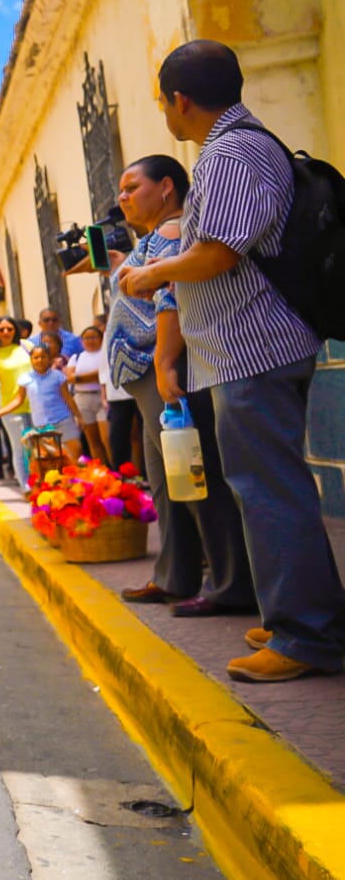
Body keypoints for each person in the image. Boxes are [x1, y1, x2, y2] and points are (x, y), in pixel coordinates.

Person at [118, 40, 341, 681]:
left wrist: (150, 273)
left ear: (179, 101)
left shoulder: (229, 153)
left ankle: (306, 638)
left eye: (163, 100)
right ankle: (308, 615)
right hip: (244, 350)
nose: (165, 110)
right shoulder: (239, 149)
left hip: (252, 349)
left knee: (268, 490)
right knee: (268, 487)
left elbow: (218, 253)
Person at [94, 154, 253, 616]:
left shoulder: (172, 231)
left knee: (193, 477)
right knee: (167, 481)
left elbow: (171, 295)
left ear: (166, 187)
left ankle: (228, 582)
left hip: (163, 369)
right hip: (146, 374)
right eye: (120, 190)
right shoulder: (154, 238)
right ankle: (176, 575)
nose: (122, 197)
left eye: (131, 187)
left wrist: (165, 363)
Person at [2, 343, 83, 461]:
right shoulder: (25, 379)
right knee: (52, 459)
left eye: (43, 357)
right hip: (42, 425)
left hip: (62, 420)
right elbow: (18, 400)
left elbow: (68, 398)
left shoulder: (58, 376)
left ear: (49, 359)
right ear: (31, 360)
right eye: (36, 357)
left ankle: (76, 479)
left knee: (75, 453)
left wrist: (79, 417)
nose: (39, 360)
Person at [0, 316, 34, 488]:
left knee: (39, 447)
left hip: (37, 405)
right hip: (11, 408)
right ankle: (27, 487)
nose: (6, 332)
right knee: (21, 449)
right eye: (1, 329)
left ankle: (43, 486)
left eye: (10, 329)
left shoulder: (26, 346)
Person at [66, 326, 109, 464]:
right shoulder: (77, 357)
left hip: (102, 397)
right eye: (87, 338)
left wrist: (80, 378)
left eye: (94, 337)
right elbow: (69, 377)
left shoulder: (105, 355)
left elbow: (102, 373)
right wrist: (92, 376)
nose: (90, 341)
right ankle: (101, 471)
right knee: (93, 440)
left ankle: (115, 468)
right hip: (82, 399)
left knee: (106, 438)